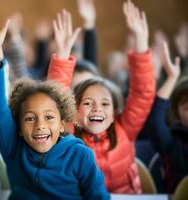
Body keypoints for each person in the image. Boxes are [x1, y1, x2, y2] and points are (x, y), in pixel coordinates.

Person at [0, 6, 109, 199]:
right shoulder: (13, 146)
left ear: (63, 124)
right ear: (18, 127)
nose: (40, 126)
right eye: (29, 118)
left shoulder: (80, 156)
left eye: (49, 117)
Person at [48, 0, 156, 193]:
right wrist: (62, 57)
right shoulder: (69, 132)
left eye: (105, 104)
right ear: (75, 111)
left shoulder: (125, 128)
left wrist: (141, 46)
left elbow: (143, 93)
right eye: (87, 103)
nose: (97, 108)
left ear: (115, 111)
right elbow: (55, 101)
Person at [144, 41, 188, 193]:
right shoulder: (171, 141)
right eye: (187, 108)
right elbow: (154, 121)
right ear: (177, 113)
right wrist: (172, 78)